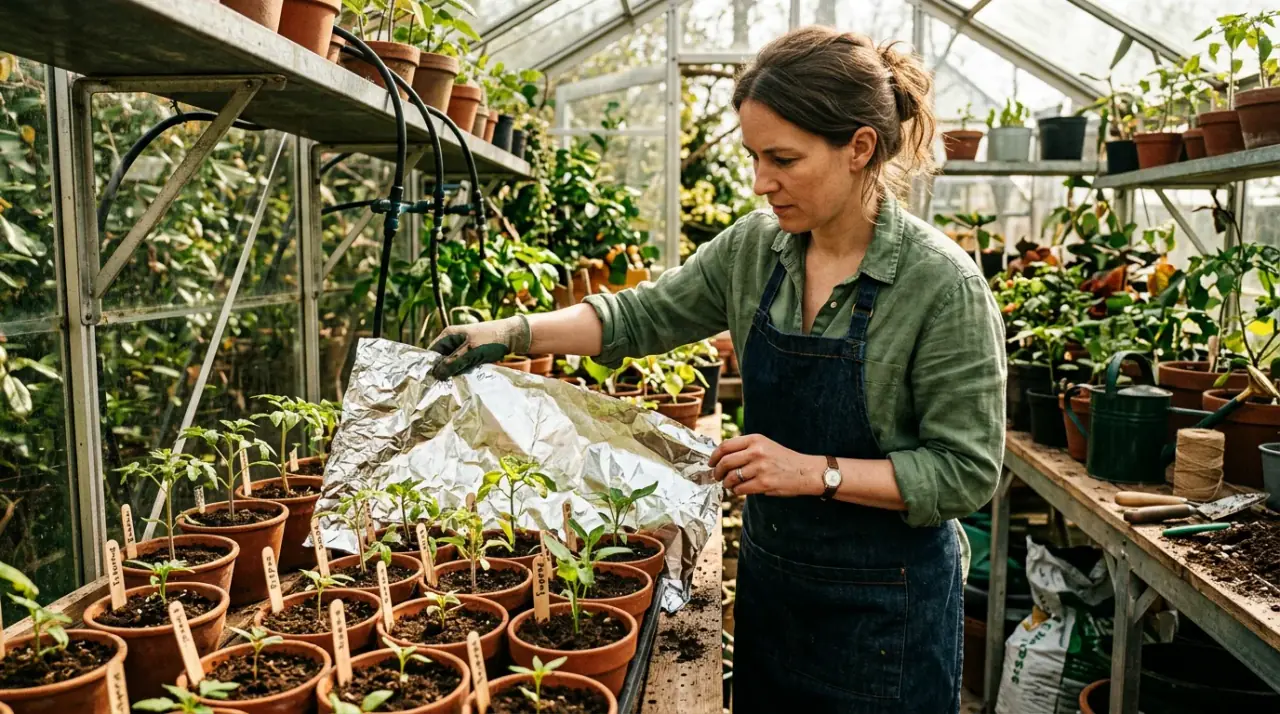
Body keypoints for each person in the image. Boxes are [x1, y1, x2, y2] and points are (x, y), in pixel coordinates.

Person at [430, 25, 1005, 713]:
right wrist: (508, 331)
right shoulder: (756, 251)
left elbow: (966, 473)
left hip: (890, 612)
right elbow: (637, 318)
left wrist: (814, 471)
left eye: (784, 160)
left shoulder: (939, 285)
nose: (762, 183)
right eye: (755, 157)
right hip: (775, 589)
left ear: (860, 148)